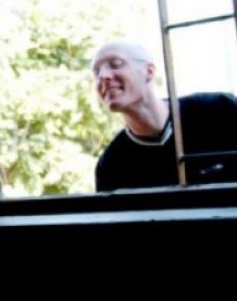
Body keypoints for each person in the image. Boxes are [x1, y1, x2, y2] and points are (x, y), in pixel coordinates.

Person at [92, 40, 237, 192]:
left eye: (115, 64)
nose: (103, 76)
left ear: (149, 72)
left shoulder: (221, 110)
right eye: (96, 72)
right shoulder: (111, 165)